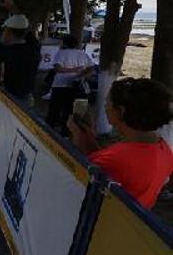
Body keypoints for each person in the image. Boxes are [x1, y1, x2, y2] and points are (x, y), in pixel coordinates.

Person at [68, 78, 173, 209]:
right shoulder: (164, 150)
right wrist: (86, 137)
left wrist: (75, 140)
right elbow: (105, 162)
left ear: (121, 111)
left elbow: (76, 186)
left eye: (107, 102)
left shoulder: (116, 160)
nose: (105, 107)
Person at [0, 13, 41, 104]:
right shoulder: (34, 48)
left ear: (9, 32)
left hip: (7, 101)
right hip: (26, 101)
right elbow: (26, 29)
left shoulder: (3, 51)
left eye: (4, 30)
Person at [46, 34, 94, 135]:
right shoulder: (83, 54)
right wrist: (82, 76)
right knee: (69, 112)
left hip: (60, 86)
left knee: (54, 111)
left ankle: (48, 132)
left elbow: (57, 69)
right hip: (77, 87)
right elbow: (92, 70)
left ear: (64, 43)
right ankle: (66, 133)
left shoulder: (61, 53)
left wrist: (73, 70)